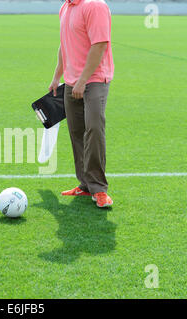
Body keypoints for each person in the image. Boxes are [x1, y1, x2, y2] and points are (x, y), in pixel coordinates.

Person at [48, 0, 114, 208]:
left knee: (94, 129)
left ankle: (99, 189)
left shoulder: (95, 6)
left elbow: (100, 44)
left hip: (94, 80)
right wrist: (56, 77)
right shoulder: (66, 7)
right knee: (77, 133)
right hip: (71, 82)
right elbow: (64, 45)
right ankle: (85, 185)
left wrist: (83, 80)